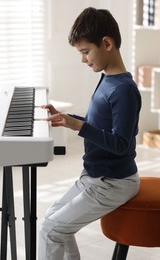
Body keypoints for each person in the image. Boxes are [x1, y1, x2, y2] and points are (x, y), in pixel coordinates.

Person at [38, 7, 141, 260]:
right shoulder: (107, 79)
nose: (83, 59)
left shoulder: (125, 90)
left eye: (86, 52)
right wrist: (69, 119)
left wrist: (79, 126)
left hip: (114, 183)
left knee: (51, 230)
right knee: (52, 219)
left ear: (106, 43)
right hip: (94, 176)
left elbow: (120, 144)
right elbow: (100, 125)